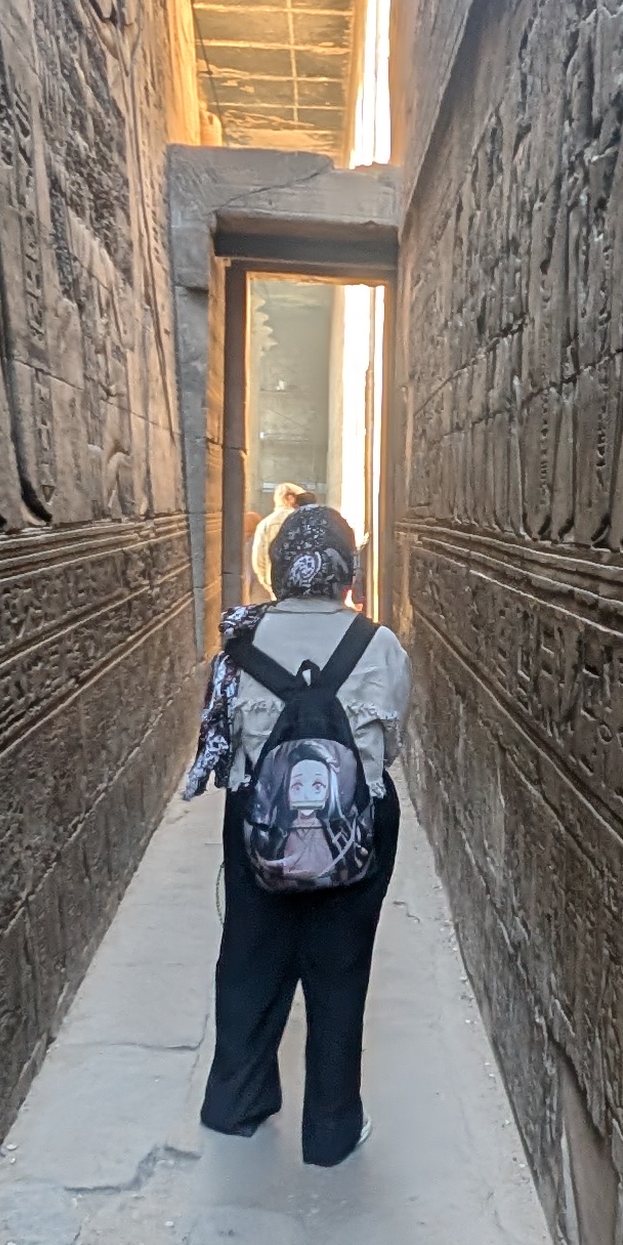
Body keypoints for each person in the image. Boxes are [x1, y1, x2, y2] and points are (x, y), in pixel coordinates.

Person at [191, 502, 408, 1166]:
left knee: (251, 957)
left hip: (259, 823)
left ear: (280, 568)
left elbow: (222, 748)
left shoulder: (238, 644)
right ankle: (332, 1130)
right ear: (346, 570)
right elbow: (390, 743)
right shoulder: (380, 643)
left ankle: (238, 1100)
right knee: (340, 971)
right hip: (356, 823)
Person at [243, 481, 314, 601]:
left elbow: (258, 561)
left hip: (274, 588)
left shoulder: (265, 524)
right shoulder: (307, 520)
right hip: (303, 589)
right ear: (290, 498)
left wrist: (268, 584)